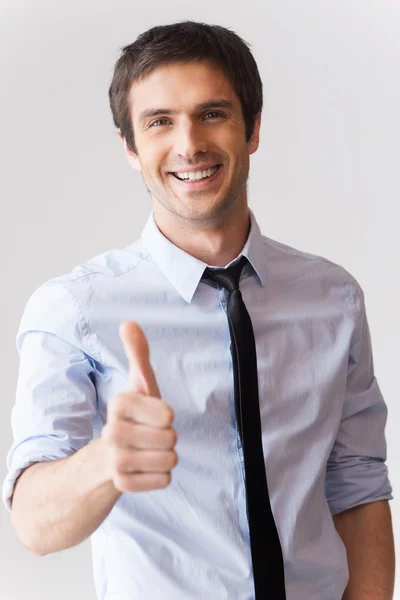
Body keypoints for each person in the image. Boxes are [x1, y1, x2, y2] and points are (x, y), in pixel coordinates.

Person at [3, 20, 395, 600]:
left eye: (212, 113)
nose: (188, 145)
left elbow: (358, 485)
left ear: (253, 129)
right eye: (159, 122)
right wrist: (107, 459)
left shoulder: (333, 298)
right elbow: (35, 525)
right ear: (131, 149)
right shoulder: (73, 309)